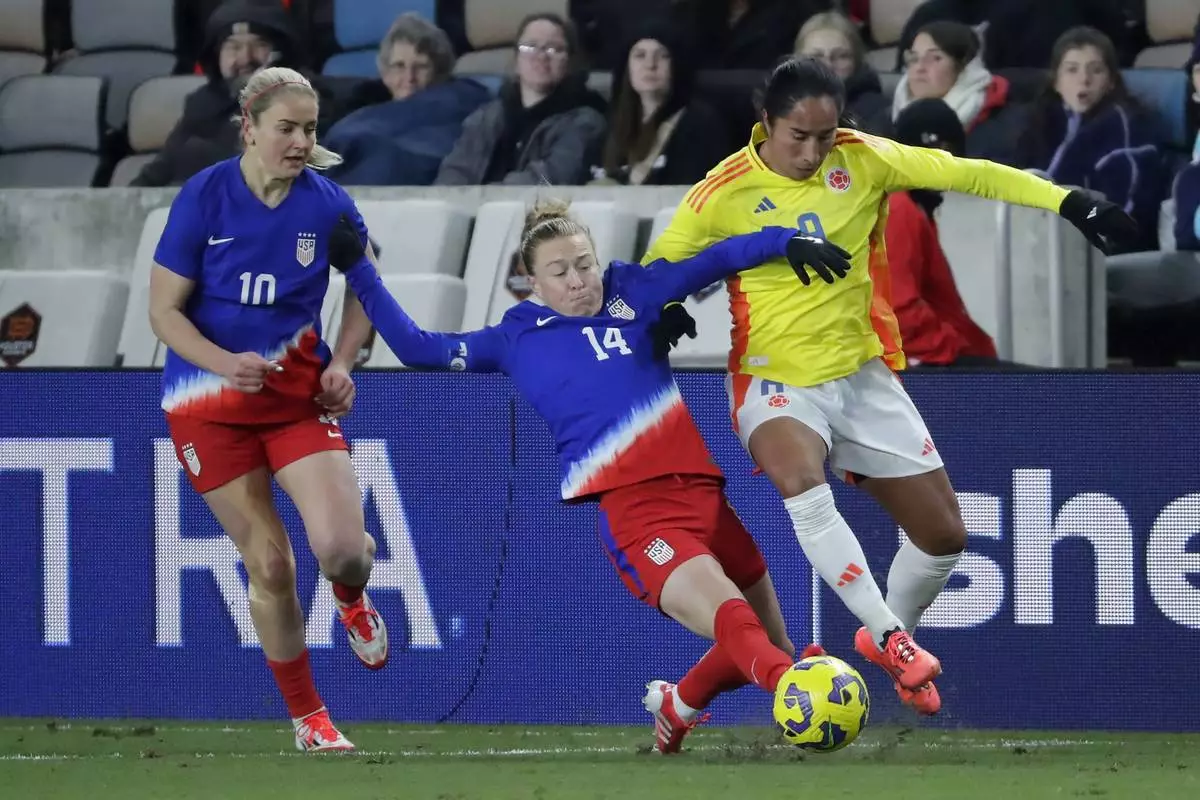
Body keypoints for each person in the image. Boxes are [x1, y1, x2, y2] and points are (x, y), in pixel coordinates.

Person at [643, 57, 1137, 716]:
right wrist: (663, 307)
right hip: (773, 378)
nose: (813, 153)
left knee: (944, 536)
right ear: (766, 123)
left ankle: (883, 636)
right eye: (798, 137)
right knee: (800, 481)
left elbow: (968, 173)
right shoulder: (721, 192)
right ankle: (891, 638)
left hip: (861, 378)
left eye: (825, 136)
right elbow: (655, 271)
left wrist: (1068, 201)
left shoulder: (864, 159)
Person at [326, 201, 849, 753]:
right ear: (532, 283)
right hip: (640, 516)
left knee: (767, 642)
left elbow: (715, 259)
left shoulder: (635, 292)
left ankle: (678, 705)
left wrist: (784, 240)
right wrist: (360, 268)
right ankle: (795, 691)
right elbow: (416, 347)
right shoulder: (516, 337)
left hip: (706, 497)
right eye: (559, 272)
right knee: (739, 626)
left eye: (585, 265)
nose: (578, 281)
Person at [147, 66, 389, 752]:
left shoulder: (328, 206)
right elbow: (163, 313)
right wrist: (224, 364)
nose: (301, 142)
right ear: (249, 129)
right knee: (272, 566)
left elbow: (367, 287)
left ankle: (350, 597)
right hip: (207, 407)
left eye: (309, 129)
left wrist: (343, 362)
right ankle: (310, 720)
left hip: (295, 404)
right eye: (287, 128)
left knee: (343, 552)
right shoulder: (204, 197)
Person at [1017, 27, 1161, 254]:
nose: (1084, 80)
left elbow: (1126, 216)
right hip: (1036, 244)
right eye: (1072, 70)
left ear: (1111, 81)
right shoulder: (1040, 121)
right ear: (1056, 81)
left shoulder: (1126, 127)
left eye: (1096, 70)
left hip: (1096, 253)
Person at [887, 98, 1002, 368]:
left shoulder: (915, 205)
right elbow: (898, 312)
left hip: (939, 356)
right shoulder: (898, 208)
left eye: (950, 153)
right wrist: (954, 347)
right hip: (931, 363)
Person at [434, 13, 607, 186]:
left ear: (569, 62)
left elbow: (550, 179)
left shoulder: (584, 122)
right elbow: (455, 171)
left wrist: (485, 197)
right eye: (530, 47)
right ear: (516, 60)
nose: (541, 56)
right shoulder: (488, 116)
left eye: (554, 48)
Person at [322, 13, 491, 186]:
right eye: (399, 66)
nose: (409, 77)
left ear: (440, 73)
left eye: (421, 67)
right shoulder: (358, 105)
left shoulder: (459, 101)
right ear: (386, 75)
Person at [589, 21, 731, 186]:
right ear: (626, 67)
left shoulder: (701, 125)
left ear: (676, 64)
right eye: (640, 56)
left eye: (663, 56)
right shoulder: (606, 133)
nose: (650, 65)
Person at [871, 20, 1027, 165]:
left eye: (935, 58)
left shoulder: (1005, 128)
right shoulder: (884, 123)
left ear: (966, 68)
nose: (920, 67)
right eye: (914, 58)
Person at [793, 11, 887, 127]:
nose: (827, 65)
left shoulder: (877, 111)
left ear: (856, 62)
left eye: (841, 56)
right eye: (816, 56)